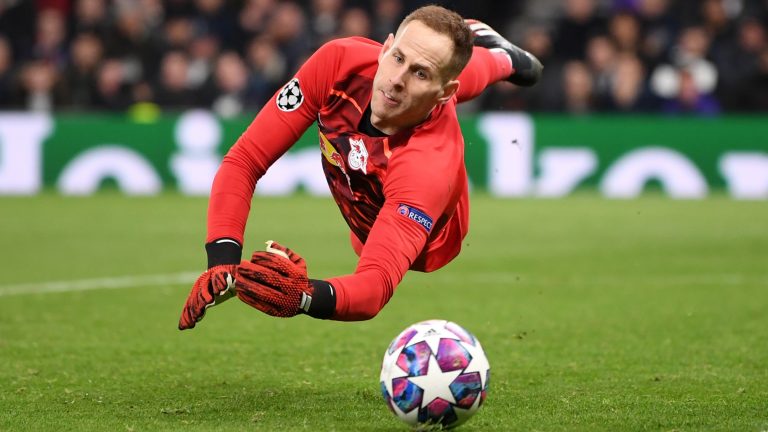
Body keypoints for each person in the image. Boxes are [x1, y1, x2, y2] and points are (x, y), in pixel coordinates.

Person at [178, 5, 542, 329]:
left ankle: (498, 59)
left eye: (419, 74)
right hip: (368, 196)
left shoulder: (427, 167)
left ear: (442, 91)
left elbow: (372, 289)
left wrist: (303, 296)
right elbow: (244, 160)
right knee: (442, 73)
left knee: (458, 81)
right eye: (397, 58)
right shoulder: (339, 63)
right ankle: (503, 57)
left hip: (434, 244)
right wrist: (222, 264)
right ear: (385, 47)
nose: (397, 80)